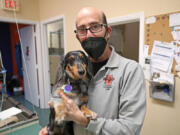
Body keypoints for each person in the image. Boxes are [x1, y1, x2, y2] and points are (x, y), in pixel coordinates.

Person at [39, 7, 146, 135]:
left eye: (95, 26)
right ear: (78, 37)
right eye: (82, 30)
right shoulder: (75, 73)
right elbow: (65, 107)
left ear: (108, 32)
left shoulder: (130, 70)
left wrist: (87, 122)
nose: (89, 34)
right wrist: (51, 127)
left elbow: (130, 129)